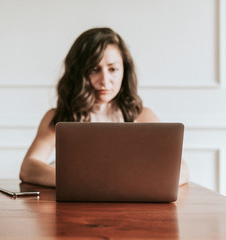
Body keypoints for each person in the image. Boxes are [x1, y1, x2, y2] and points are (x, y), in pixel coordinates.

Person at [19, 27, 189, 187]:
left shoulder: (143, 116)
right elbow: (29, 168)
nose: (105, 80)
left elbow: (182, 171)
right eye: (94, 69)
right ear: (79, 73)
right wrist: (86, 182)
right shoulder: (59, 117)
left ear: (124, 71)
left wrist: (130, 183)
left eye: (113, 69)